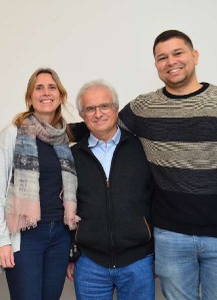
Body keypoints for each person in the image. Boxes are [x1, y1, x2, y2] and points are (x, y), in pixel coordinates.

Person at [118, 30, 217, 299]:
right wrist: (45, 125)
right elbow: (100, 126)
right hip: (170, 236)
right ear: (156, 66)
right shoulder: (144, 107)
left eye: (178, 53)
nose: (170, 61)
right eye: (162, 57)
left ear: (194, 56)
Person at [0, 67, 80, 300]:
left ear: (60, 95)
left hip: (59, 235)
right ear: (30, 97)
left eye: (52, 87)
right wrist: (1, 241)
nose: (46, 92)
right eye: (39, 88)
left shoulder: (64, 138)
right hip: (26, 236)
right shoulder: (13, 134)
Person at [67, 80, 155, 300]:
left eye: (104, 106)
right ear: (82, 114)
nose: (98, 114)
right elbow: (66, 204)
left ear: (116, 109)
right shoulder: (72, 156)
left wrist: (157, 253)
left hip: (139, 261)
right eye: (90, 109)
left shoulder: (142, 149)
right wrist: (71, 255)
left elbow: (157, 200)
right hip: (89, 264)